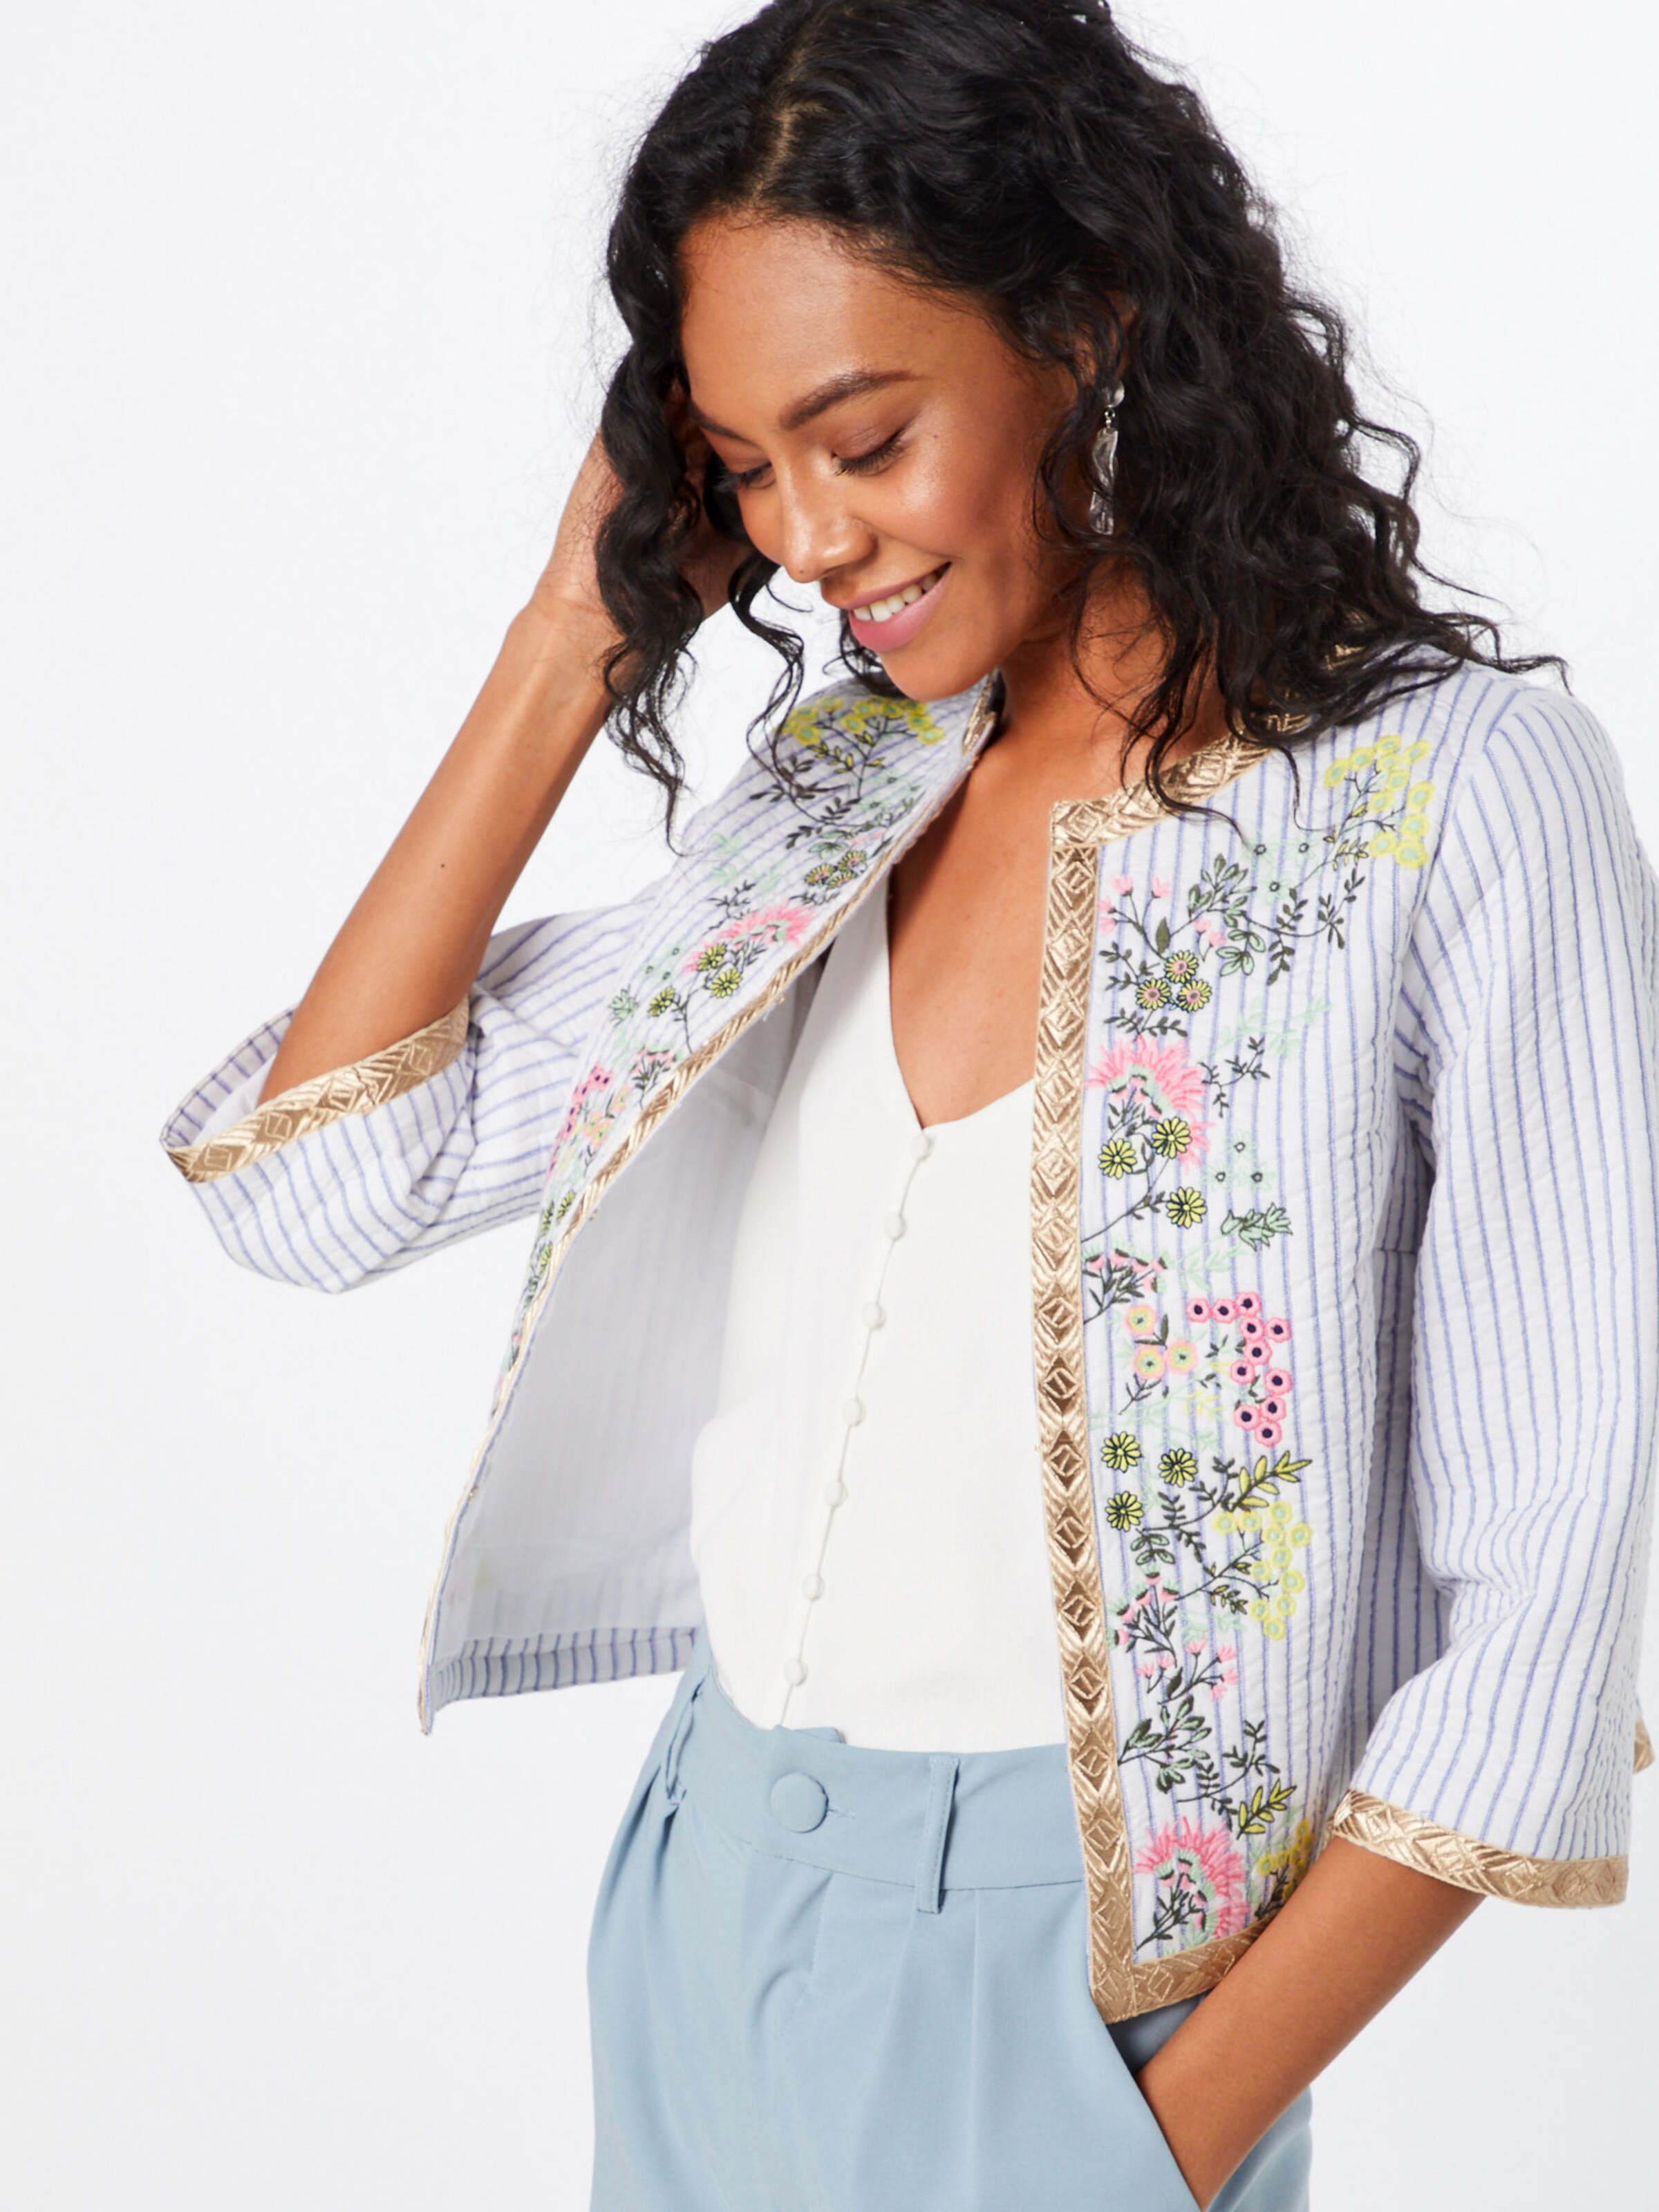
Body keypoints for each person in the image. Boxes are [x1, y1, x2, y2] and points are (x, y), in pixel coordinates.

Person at [159, 2, 1658, 2205]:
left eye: (862, 439)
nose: (804, 538)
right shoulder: (835, 789)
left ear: (1084, 323)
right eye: (742, 468)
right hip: (703, 1903)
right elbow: (323, 1182)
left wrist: (1147, 2145)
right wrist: (571, 638)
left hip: (1087, 2002)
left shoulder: (1447, 797)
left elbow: (1547, 1617)